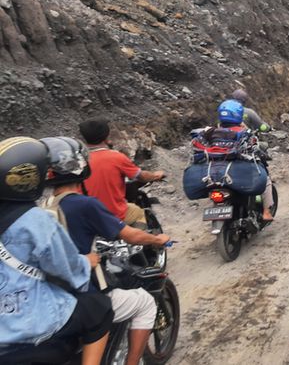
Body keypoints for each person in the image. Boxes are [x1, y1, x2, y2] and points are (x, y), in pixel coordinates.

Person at [41, 137, 167, 365]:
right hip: (82, 292)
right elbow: (131, 235)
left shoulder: (46, 206)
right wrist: (157, 239)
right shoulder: (85, 205)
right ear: (82, 168)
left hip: (52, 294)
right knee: (145, 302)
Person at [0, 137, 112, 365]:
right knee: (99, 309)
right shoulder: (36, 220)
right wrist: (86, 262)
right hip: (33, 323)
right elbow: (69, 271)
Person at [193, 100, 275, 221]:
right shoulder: (244, 132)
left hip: (214, 173)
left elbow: (198, 147)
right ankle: (266, 212)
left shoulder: (211, 131)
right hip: (236, 173)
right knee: (266, 180)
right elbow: (254, 146)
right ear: (239, 114)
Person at [79, 119, 165, 228]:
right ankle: (141, 242)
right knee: (138, 212)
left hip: (87, 216)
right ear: (106, 137)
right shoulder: (116, 157)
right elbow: (141, 176)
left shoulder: (80, 161)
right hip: (113, 214)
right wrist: (156, 175)